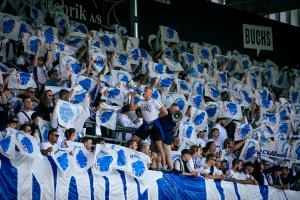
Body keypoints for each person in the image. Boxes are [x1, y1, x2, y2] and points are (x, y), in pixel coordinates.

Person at [129, 87, 168, 169]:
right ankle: (130, 159)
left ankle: (164, 167)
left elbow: (165, 112)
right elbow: (131, 108)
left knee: (159, 147)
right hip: (146, 124)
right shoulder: (141, 101)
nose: (144, 92)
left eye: (146, 91)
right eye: (144, 91)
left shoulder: (154, 101)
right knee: (133, 140)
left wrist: (157, 117)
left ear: (150, 93)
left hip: (154, 125)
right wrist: (132, 97)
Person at [159, 103, 180, 170]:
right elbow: (165, 127)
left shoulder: (173, 116)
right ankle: (171, 168)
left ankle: (166, 167)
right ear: (171, 107)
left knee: (165, 154)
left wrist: (176, 126)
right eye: (175, 109)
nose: (176, 111)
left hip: (167, 139)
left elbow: (173, 132)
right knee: (168, 154)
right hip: (162, 138)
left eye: (177, 110)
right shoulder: (166, 114)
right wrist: (174, 124)